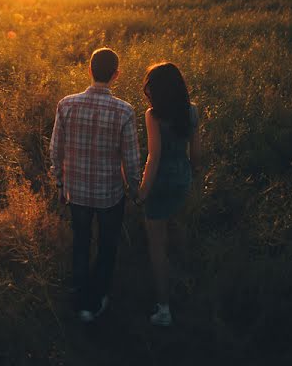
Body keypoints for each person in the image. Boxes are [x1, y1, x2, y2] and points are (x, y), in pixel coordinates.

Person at [50, 47, 142, 323]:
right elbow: (132, 159)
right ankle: (97, 297)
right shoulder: (125, 111)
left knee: (80, 242)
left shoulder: (66, 104)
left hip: (75, 192)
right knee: (107, 245)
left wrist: (59, 183)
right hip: (110, 195)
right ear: (116, 74)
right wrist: (135, 190)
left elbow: (56, 149)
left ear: (89, 70)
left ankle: (80, 300)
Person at [135, 62, 201, 326]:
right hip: (182, 180)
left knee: (157, 246)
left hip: (160, 184)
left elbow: (154, 156)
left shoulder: (153, 115)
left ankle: (164, 309)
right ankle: (187, 289)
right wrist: (195, 179)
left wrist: (142, 192)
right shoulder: (192, 111)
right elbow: (196, 154)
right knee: (178, 232)